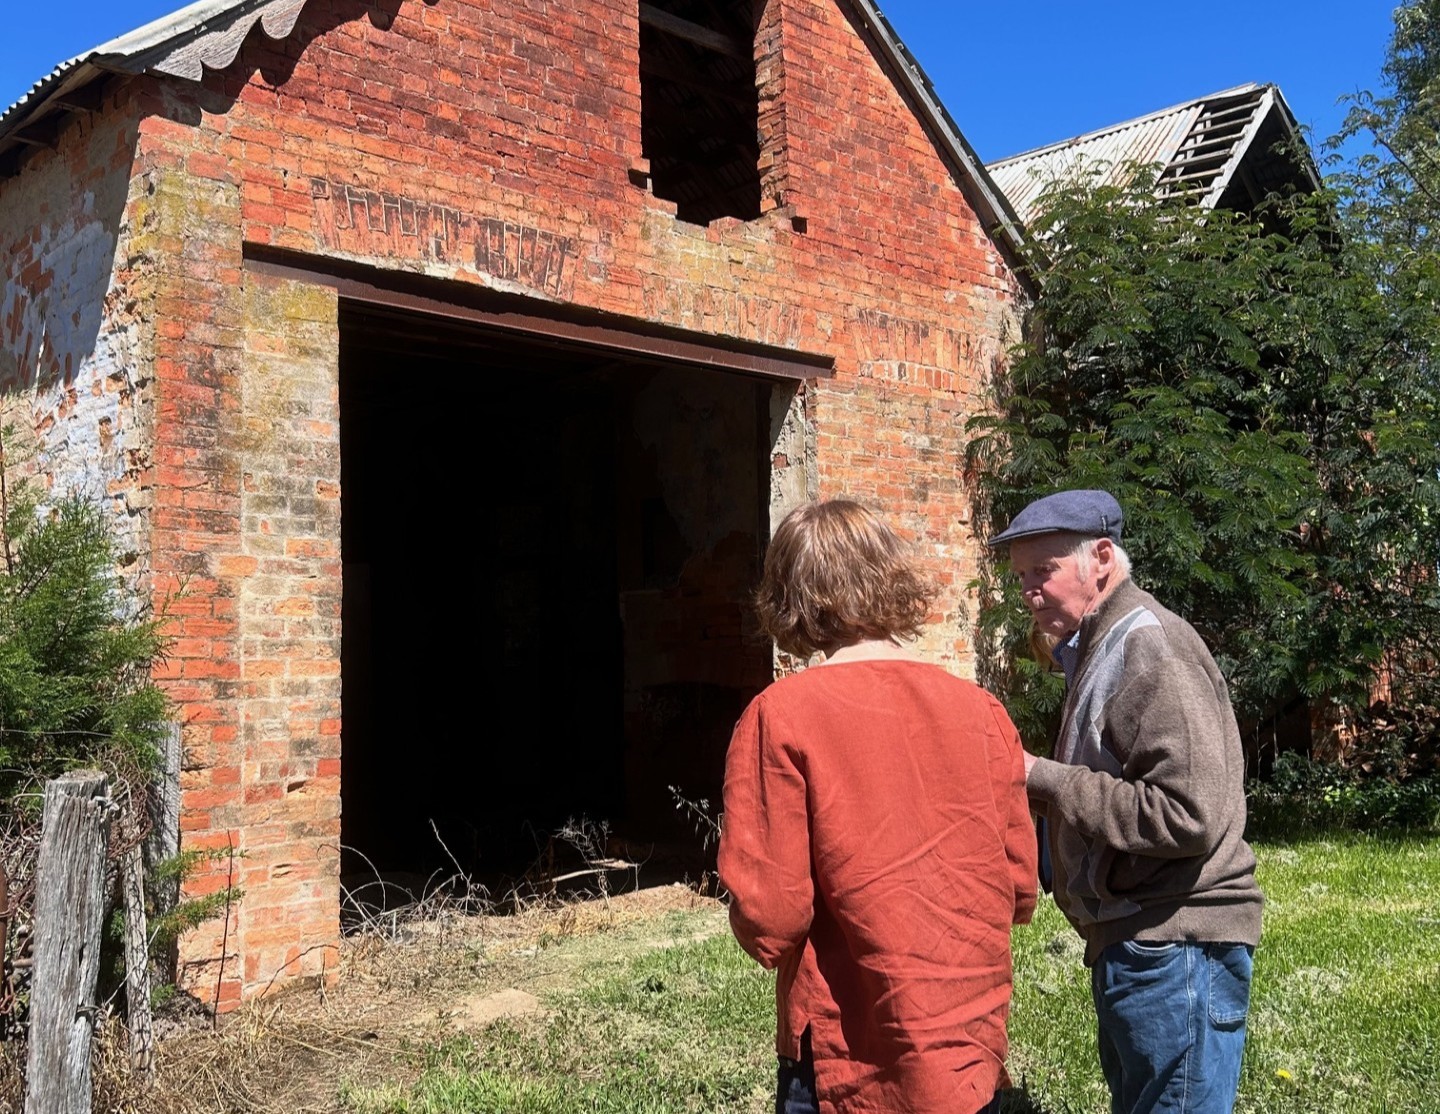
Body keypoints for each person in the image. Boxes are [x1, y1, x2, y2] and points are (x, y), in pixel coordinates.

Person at [718, 499, 1037, 1114]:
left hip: (847, 1046)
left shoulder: (779, 717)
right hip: (966, 1044)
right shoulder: (982, 712)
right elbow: (1020, 886)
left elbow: (772, 915)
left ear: (792, 596)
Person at [989, 489, 1263, 1114]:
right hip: (1139, 942)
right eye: (1022, 576)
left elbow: (1187, 813)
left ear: (1102, 559)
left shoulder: (1150, 645)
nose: (1029, 591)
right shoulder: (1098, 649)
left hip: (1177, 944)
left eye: (1044, 570)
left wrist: (1041, 778)